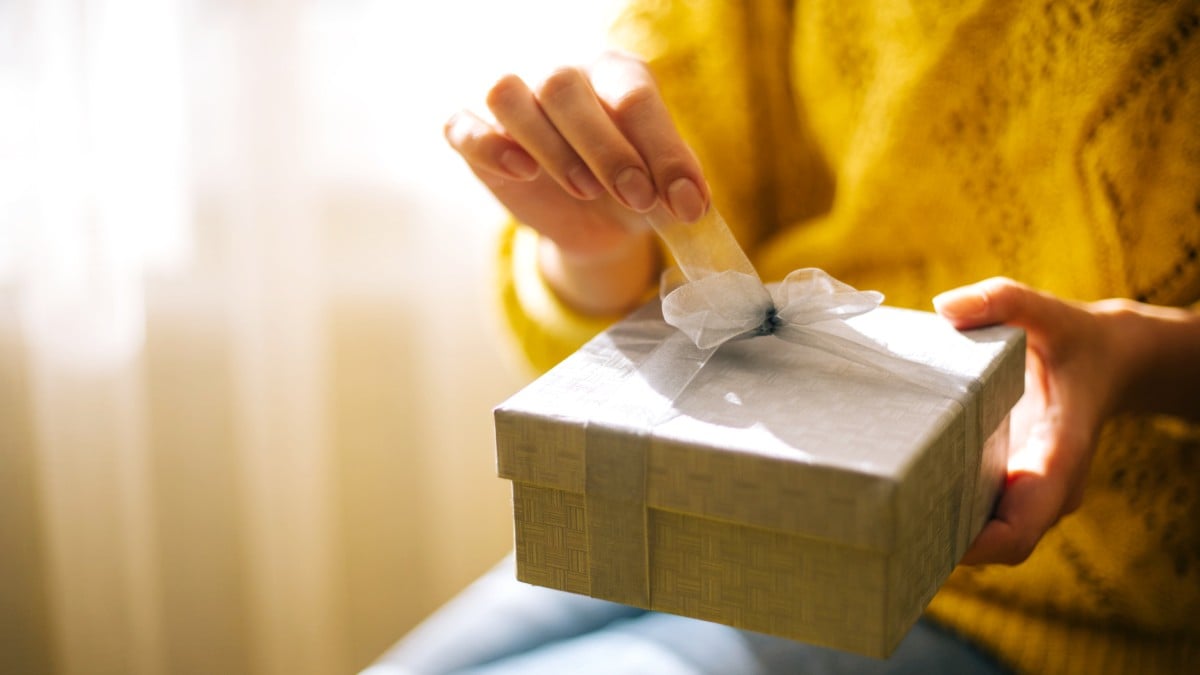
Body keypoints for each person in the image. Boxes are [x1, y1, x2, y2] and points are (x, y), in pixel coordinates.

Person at [375, 1, 1200, 673]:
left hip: (1027, 606)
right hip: (697, 492)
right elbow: (636, 274)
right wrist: (593, 249)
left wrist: (1138, 358)